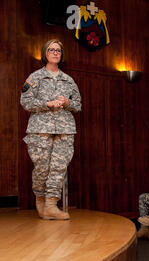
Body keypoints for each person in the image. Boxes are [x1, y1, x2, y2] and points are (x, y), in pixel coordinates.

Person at [20, 39, 81, 220]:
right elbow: (25, 101)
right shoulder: (35, 77)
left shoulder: (68, 80)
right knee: (42, 168)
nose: (55, 53)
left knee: (59, 168)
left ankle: (51, 205)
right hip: (40, 130)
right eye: (52, 50)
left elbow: (78, 105)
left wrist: (68, 102)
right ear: (45, 53)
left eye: (58, 50)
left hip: (65, 129)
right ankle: (40, 200)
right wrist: (47, 104)